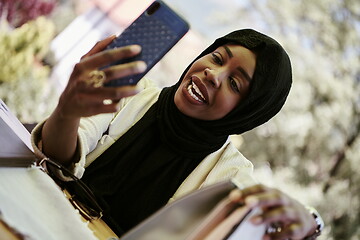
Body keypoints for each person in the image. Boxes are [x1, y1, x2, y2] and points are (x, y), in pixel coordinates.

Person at [31, 29, 323, 240]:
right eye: (218, 58)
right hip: (38, 219)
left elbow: (266, 221)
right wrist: (67, 112)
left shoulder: (231, 174)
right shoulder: (132, 93)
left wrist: (310, 223)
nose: (213, 73)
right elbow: (56, 156)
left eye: (234, 83)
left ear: (248, 112)